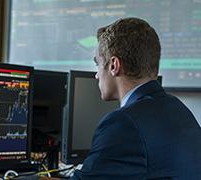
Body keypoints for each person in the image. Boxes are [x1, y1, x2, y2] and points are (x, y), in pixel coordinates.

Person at [71, 17, 201, 179]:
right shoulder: (178, 109)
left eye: (97, 64)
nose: (97, 75)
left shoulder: (123, 123)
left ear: (114, 66)